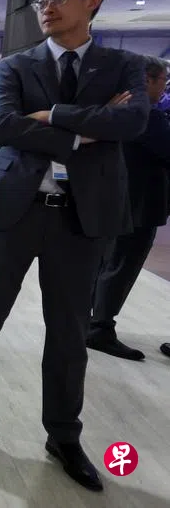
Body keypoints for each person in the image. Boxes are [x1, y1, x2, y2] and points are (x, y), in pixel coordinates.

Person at [0, 0, 149, 493]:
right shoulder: (15, 65)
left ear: (92, 2)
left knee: (70, 332)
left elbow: (132, 122)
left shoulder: (123, 65)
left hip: (83, 216)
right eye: (42, 1)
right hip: (15, 210)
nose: (47, 8)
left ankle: (63, 436)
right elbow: (3, 126)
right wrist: (83, 132)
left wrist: (51, 115)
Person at [87, 55, 170, 360]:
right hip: (139, 206)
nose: (165, 88)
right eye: (164, 82)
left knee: (104, 264)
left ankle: (89, 321)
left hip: (109, 200)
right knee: (121, 267)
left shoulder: (113, 108)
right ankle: (100, 328)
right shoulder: (147, 116)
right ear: (147, 79)